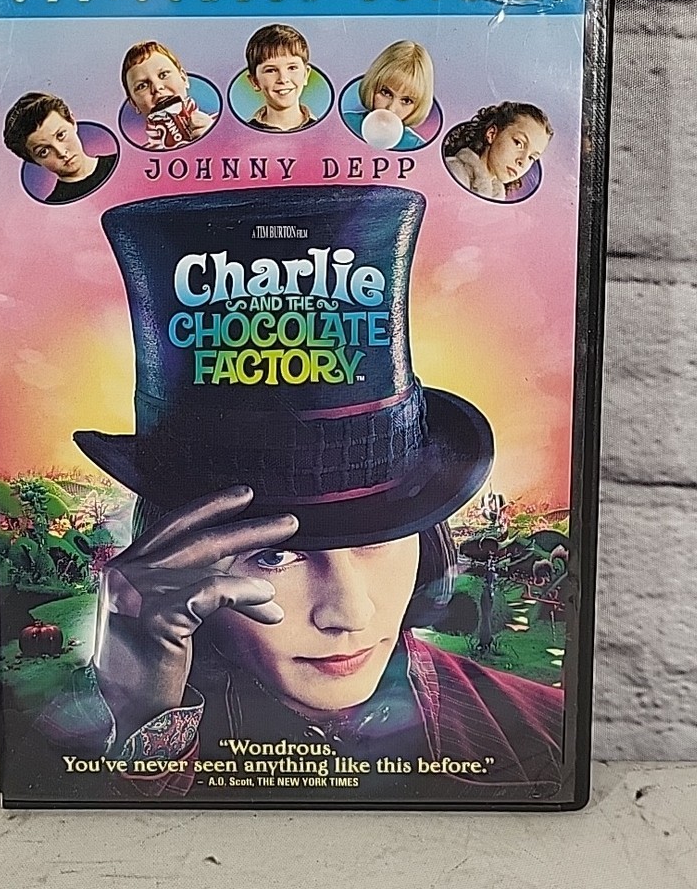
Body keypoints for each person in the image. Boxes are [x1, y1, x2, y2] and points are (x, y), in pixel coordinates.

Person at [37, 186, 564, 803]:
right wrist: (143, 724)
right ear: (174, 555)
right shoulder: (46, 747)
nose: (350, 614)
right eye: (274, 555)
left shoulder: (543, 730)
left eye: (379, 538)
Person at [3, 92, 116, 204]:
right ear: (33, 160)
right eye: (44, 151)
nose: (61, 152)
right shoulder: (54, 205)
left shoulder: (118, 163)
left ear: (72, 121)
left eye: (60, 135)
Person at [443, 102, 552, 201]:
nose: (522, 162)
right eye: (518, 143)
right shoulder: (455, 172)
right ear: (492, 134)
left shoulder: (497, 196)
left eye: (531, 157)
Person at [121, 41, 216, 149]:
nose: (157, 88)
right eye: (142, 86)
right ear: (134, 104)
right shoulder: (140, 156)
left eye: (163, 75)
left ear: (183, 78)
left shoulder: (222, 126)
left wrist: (214, 137)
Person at [343, 41, 435, 151]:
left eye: (406, 101)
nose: (391, 108)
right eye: (386, 93)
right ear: (372, 86)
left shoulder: (417, 148)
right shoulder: (344, 124)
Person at [244, 24, 317, 133]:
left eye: (292, 68)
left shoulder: (326, 132)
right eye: (271, 70)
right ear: (254, 81)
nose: (283, 79)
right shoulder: (242, 134)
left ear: (305, 74)